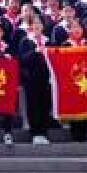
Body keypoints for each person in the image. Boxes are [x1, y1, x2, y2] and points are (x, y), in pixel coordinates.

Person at [18, 15, 53, 145]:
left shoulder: (48, 40)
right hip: (31, 78)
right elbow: (22, 59)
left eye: (40, 23)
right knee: (33, 105)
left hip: (47, 78)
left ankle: (44, 132)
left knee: (45, 105)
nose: (37, 25)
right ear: (31, 25)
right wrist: (35, 51)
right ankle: (35, 133)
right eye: (35, 23)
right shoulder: (25, 41)